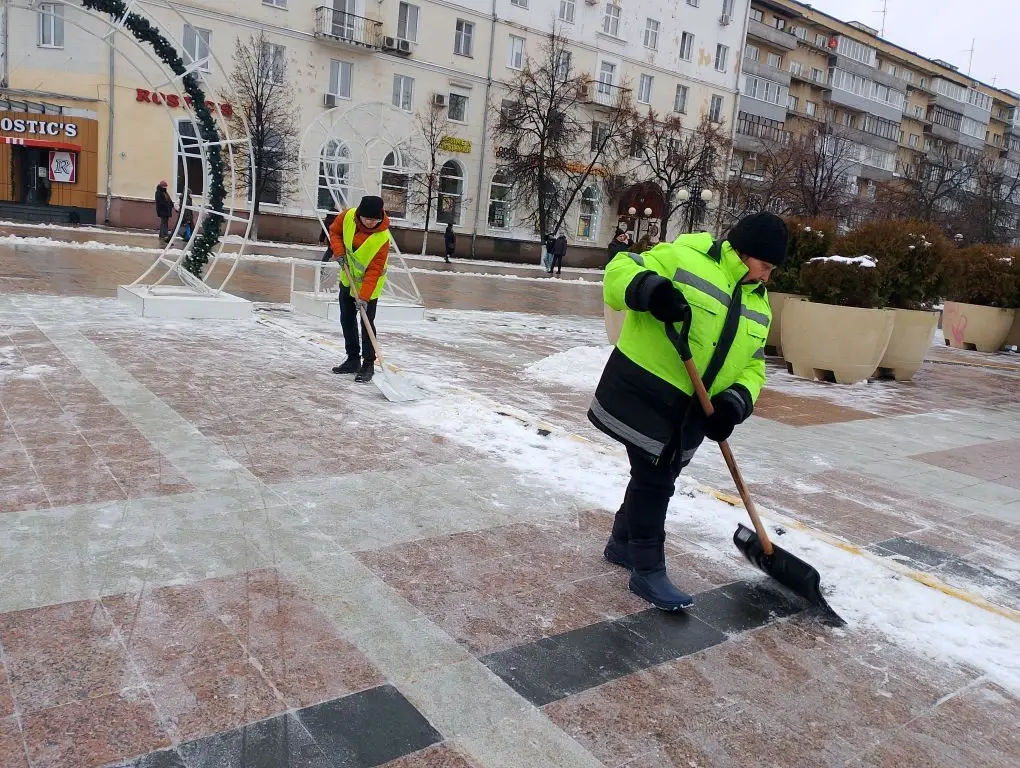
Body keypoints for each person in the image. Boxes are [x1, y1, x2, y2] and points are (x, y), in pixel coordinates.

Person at [588, 212, 789, 611]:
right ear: (744, 252)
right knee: (655, 479)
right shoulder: (685, 257)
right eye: (765, 265)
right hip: (647, 391)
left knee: (660, 474)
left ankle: (622, 542)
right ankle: (647, 569)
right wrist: (650, 289)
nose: (767, 276)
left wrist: (733, 404)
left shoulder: (759, 304)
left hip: (692, 413)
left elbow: (753, 366)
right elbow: (618, 272)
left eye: (772, 270)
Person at [328, 195, 391, 383]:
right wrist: (338, 252)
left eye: (375, 220)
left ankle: (368, 364)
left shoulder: (382, 238)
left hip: (369, 286)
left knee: (366, 323)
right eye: (367, 219)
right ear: (359, 215)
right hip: (348, 280)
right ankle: (352, 359)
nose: (371, 223)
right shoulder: (348, 216)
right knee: (347, 320)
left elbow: (374, 270)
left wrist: (364, 297)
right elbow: (335, 232)